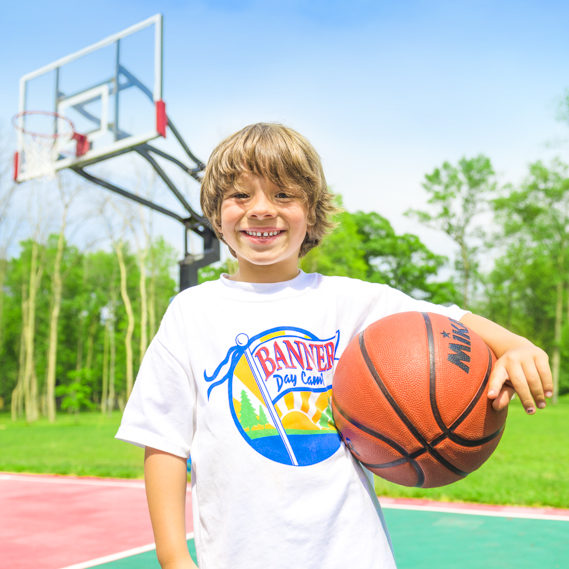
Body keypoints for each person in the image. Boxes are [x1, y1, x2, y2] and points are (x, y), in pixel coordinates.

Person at [116, 123, 553, 569]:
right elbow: (164, 442)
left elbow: (451, 320)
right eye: (241, 195)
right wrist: (173, 558)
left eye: (283, 195)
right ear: (215, 213)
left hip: (353, 553)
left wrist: (514, 344)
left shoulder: (350, 300)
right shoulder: (193, 312)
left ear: (311, 211)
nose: (262, 210)